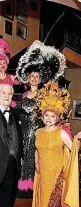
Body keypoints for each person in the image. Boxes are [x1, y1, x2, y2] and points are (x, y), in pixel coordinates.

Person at [15, 40, 67, 194]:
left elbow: (50, 113)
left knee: (35, 153)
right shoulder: (23, 95)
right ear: (28, 78)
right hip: (23, 128)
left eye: (37, 77)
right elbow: (18, 111)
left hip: (38, 129)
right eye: (32, 76)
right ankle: (22, 182)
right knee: (23, 152)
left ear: (40, 79)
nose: (34, 79)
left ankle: (34, 183)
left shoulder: (44, 95)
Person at [31, 81, 80, 207]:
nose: (49, 118)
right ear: (42, 116)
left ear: (57, 117)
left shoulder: (61, 133)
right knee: (42, 198)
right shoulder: (38, 132)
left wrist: (78, 140)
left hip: (57, 174)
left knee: (53, 203)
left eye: (52, 116)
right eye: (46, 115)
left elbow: (73, 149)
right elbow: (36, 149)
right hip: (42, 173)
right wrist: (36, 162)